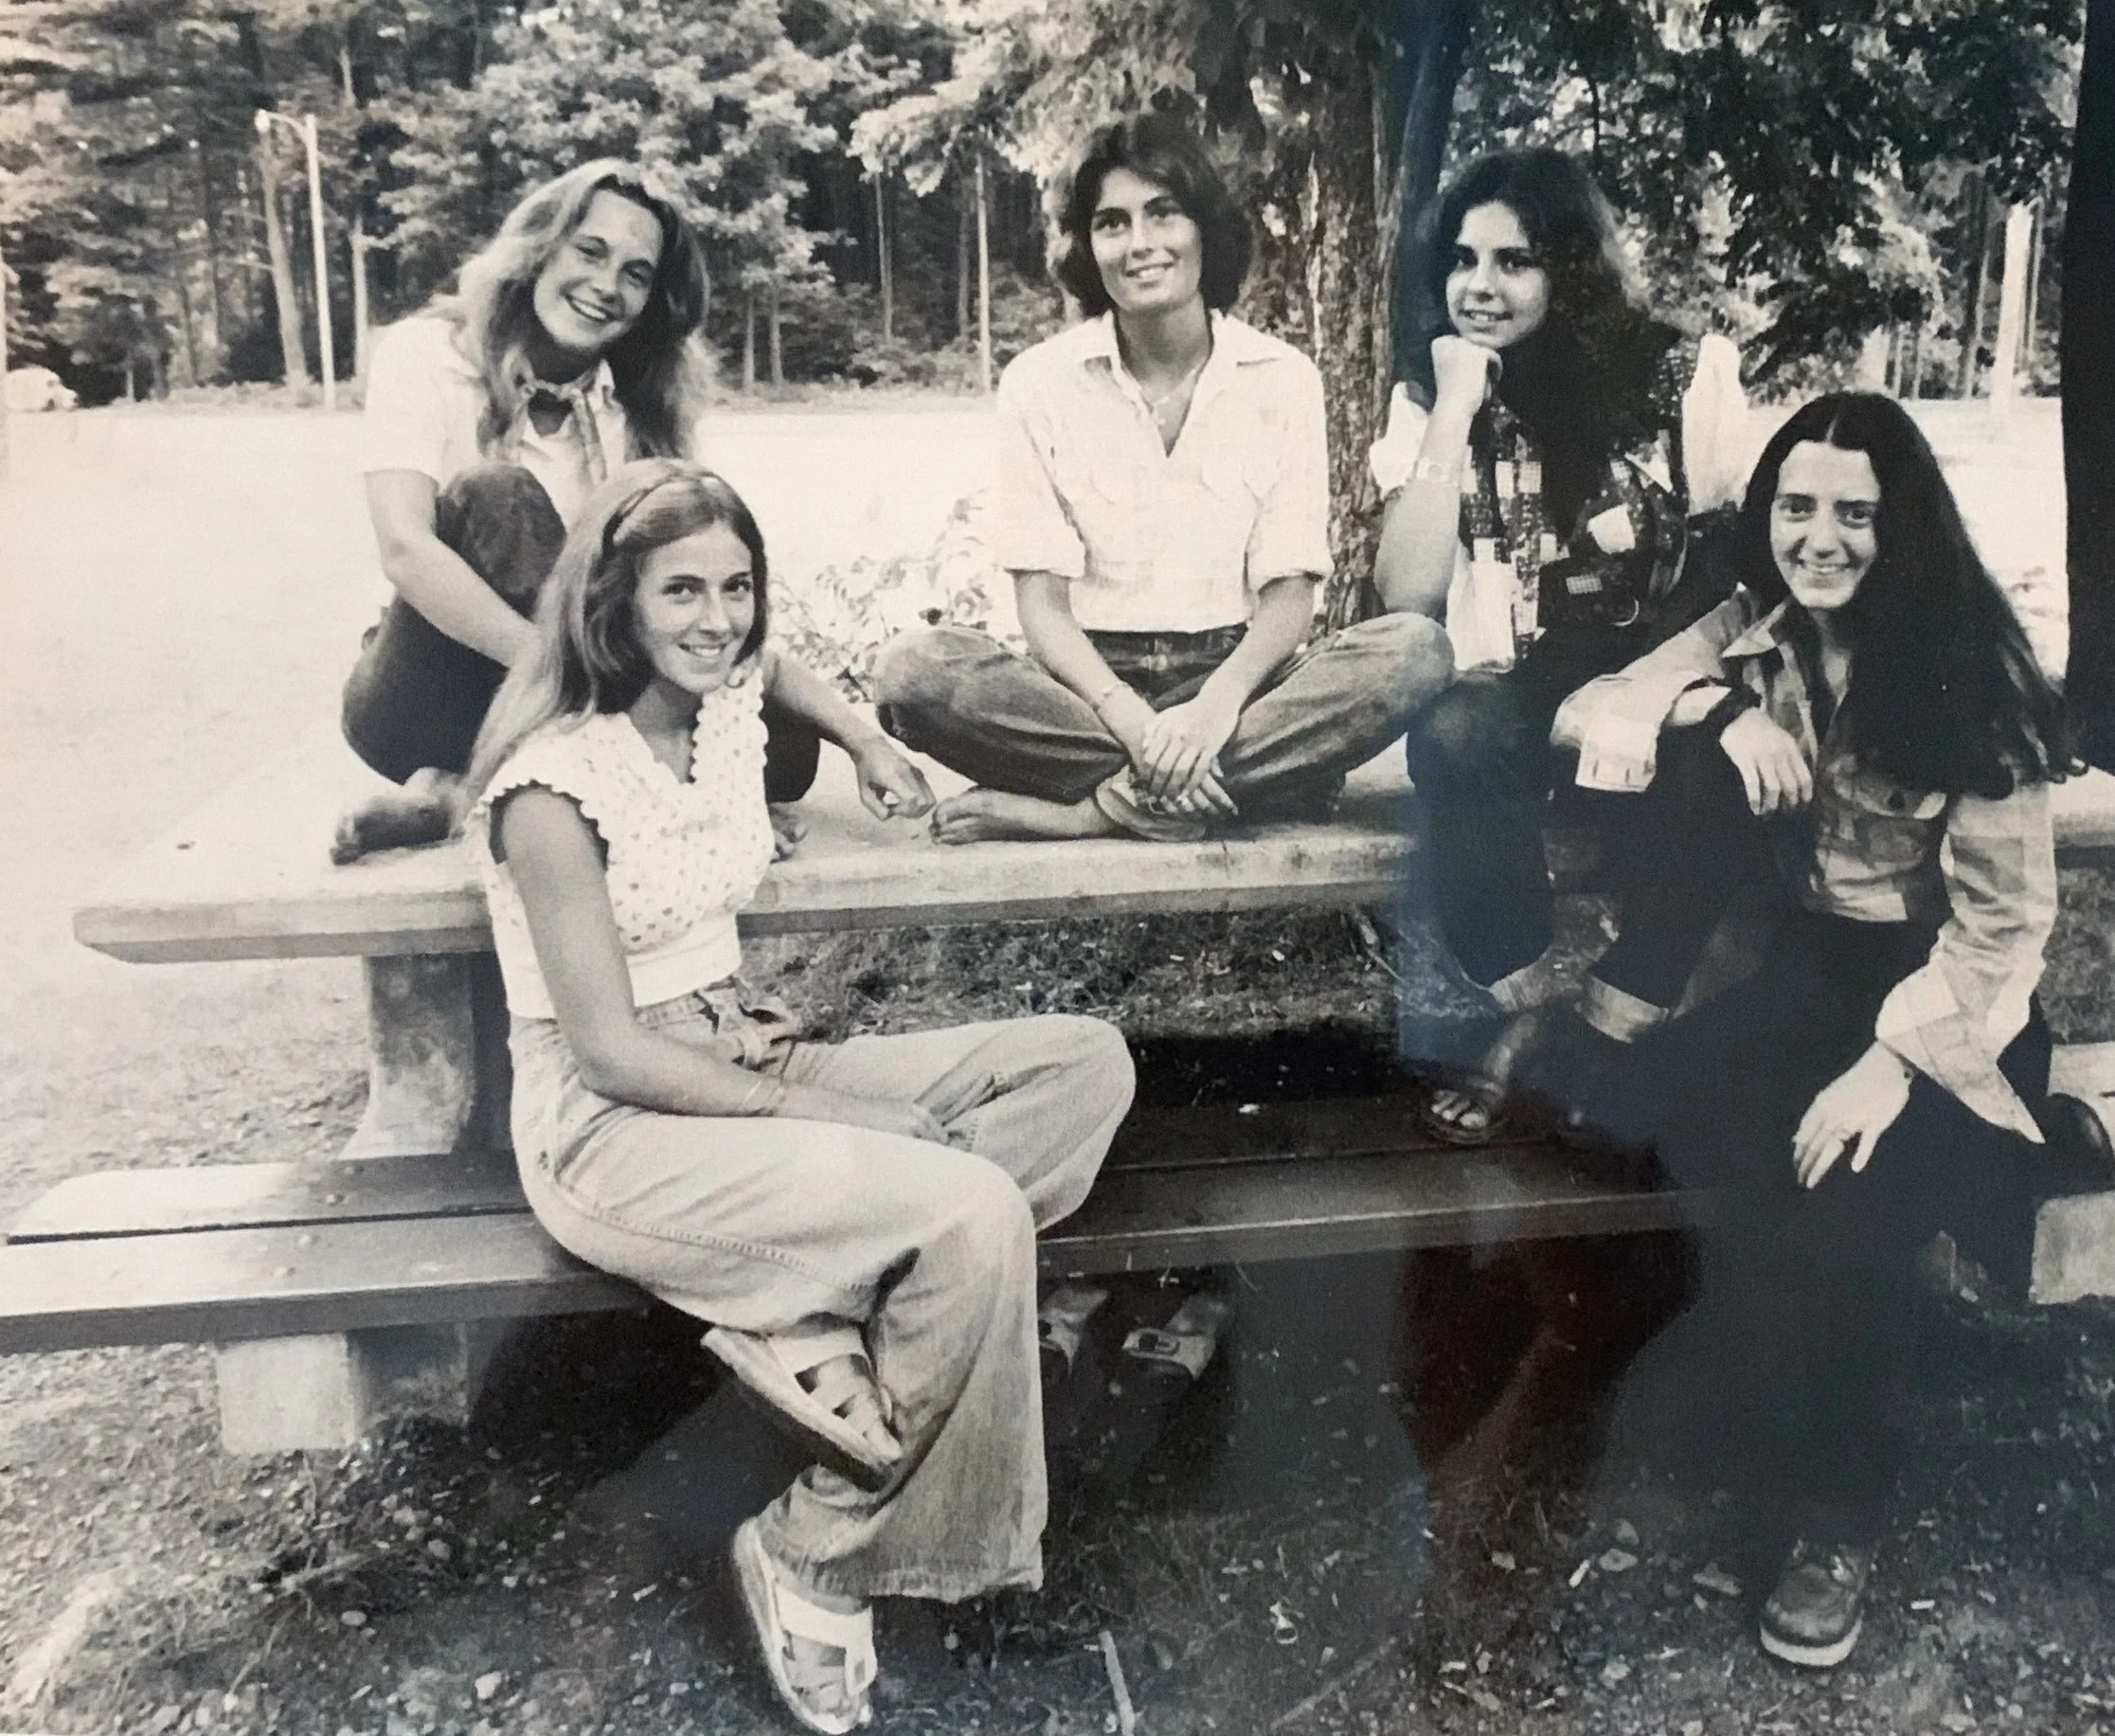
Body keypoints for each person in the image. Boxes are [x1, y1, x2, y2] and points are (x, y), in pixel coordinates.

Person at [461, 459, 1135, 1733]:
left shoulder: (715, 706)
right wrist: (840, 1123)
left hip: (744, 1046)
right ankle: (823, 1547)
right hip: (619, 1121)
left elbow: (774, 671)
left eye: (737, 586)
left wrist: (873, 739)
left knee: (1081, 1064)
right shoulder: (553, 787)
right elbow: (607, 1050)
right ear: (611, 602)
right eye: (681, 592)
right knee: (972, 1214)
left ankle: (813, 1302)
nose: (717, 618)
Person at [1555, 392, 2076, 1666]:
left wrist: (1887, 1070)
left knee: (1845, 1194)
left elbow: (2005, 932)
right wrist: (1714, 711)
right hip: (1811, 973)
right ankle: (1723, 1411)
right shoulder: (1758, 634)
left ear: (1904, 528)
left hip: (1951, 1008)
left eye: (1855, 511)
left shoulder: (1976, 679)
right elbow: (1587, 708)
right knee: (1621, 1120)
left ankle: (1838, 1514)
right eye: (1798, 505)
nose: (1821, 535)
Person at [873, 115, 1454, 844]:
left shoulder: (1282, 378)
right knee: (912, 673)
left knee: (1414, 651)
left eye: (1163, 213)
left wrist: (1214, 709)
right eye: (1112, 223)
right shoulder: (1039, 382)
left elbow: (1289, 594)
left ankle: (1092, 811)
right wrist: (1136, 725)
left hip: (1237, 684)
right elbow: (1043, 606)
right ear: (1088, 247)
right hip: (1086, 693)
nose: (1140, 243)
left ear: (1204, 229)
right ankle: (1235, 784)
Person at [1368, 148, 1746, 1146]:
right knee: (1452, 734)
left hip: (1664, 674)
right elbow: (1405, 595)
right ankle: (1526, 1011)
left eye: (1512, 261)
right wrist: (1453, 406)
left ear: (1569, 269)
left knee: (1732, 778)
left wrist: (1674, 696)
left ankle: (1611, 1028)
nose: (1477, 287)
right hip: (1519, 689)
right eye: (1460, 260)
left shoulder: (1682, 372)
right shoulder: (1431, 389)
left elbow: (1738, 570)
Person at [335, 158, 818, 863]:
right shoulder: (426, 354)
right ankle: (632, 785)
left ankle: (458, 793)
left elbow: (675, 589)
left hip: (580, 698)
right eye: (589, 251)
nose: (605, 286)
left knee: (789, 754)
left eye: (635, 273)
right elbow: (406, 552)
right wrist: (575, 684)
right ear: (539, 247)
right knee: (498, 494)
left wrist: (847, 734)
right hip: (426, 694)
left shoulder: (638, 407)